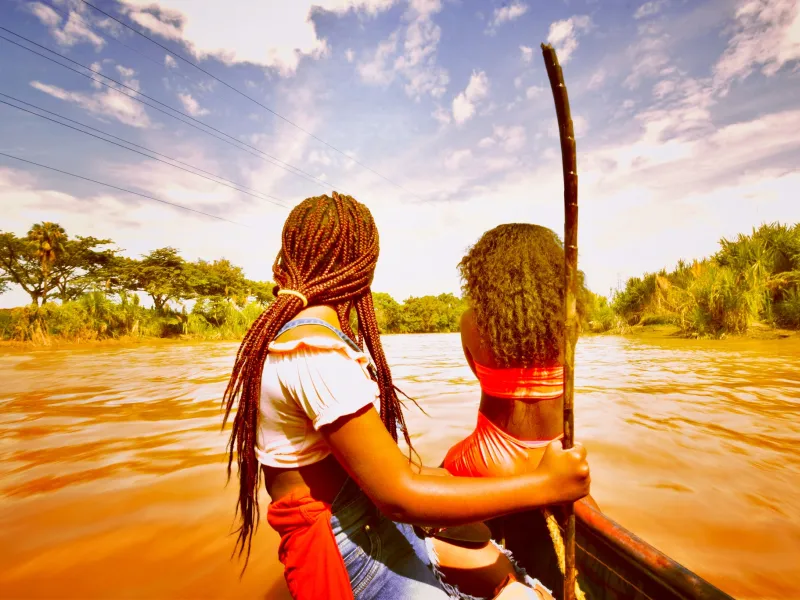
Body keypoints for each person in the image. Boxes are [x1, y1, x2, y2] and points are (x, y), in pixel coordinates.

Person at [222, 194, 591, 600]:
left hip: (371, 520)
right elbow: (399, 497)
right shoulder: (315, 351)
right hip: (350, 545)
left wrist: (440, 481)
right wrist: (545, 485)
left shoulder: (310, 338)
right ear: (365, 271)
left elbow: (384, 478)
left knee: (509, 576)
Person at [440, 223, 600, 595]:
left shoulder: (471, 323)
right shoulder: (568, 324)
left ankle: (496, 574)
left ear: (484, 274)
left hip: (490, 458)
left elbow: (482, 380)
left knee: (441, 478)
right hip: (557, 456)